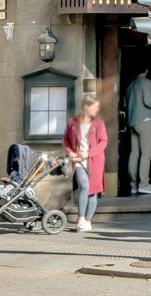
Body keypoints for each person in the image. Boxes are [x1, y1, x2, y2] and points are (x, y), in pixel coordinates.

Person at [63, 94, 108, 232]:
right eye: (94, 107)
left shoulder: (99, 123)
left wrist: (88, 153)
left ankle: (88, 220)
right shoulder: (73, 122)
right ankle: (81, 218)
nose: (96, 110)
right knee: (84, 185)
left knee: (92, 192)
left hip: (95, 161)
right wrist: (70, 152)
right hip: (78, 161)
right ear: (86, 107)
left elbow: (103, 142)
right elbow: (66, 140)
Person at [125, 70, 151, 195]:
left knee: (134, 154)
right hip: (144, 121)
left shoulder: (131, 84)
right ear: (146, 70)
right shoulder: (145, 82)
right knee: (146, 154)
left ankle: (133, 185)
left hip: (132, 122)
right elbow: (148, 102)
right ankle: (144, 184)